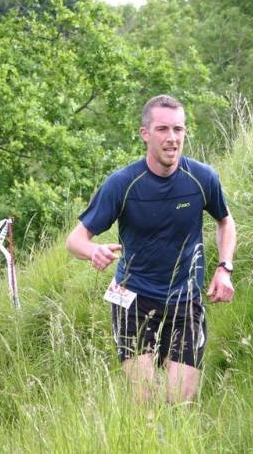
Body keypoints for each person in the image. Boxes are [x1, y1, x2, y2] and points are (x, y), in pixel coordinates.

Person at [66, 94, 236, 403]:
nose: (172, 138)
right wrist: (93, 251)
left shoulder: (201, 178)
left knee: (178, 404)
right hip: (133, 299)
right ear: (145, 134)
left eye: (178, 129)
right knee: (145, 405)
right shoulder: (122, 184)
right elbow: (75, 239)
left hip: (186, 301)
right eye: (162, 129)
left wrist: (224, 269)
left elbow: (226, 222)